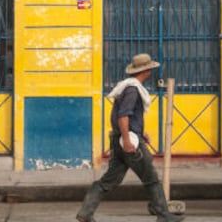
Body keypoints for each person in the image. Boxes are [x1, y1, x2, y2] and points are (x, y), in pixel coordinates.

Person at [76, 53, 183, 222]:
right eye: (149, 69)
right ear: (146, 71)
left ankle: (86, 213)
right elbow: (123, 116)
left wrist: (140, 132)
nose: (150, 72)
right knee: (151, 179)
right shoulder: (133, 90)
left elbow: (126, 117)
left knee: (109, 180)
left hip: (121, 139)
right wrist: (127, 139)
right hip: (128, 142)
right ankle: (164, 215)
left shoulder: (126, 87)